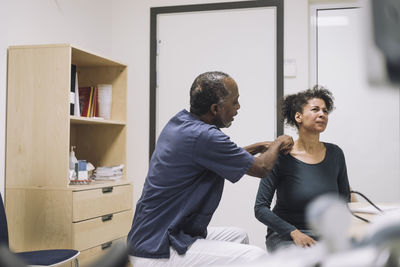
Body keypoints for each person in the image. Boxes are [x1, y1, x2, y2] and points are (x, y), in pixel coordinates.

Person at [127, 71, 294, 266]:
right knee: (255, 257)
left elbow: (222, 156)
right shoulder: (205, 136)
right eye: (234, 102)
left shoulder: (181, 123)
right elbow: (262, 167)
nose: (238, 107)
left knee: (238, 236)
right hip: (157, 248)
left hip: (157, 234)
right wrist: (279, 141)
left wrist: (259, 147)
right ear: (216, 108)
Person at [254, 86, 350, 253]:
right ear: (298, 116)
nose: (322, 114)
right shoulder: (280, 156)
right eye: (315, 109)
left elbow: (343, 200)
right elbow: (260, 208)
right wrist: (294, 233)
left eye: (325, 111)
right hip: (286, 237)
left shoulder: (336, 154)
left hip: (326, 236)